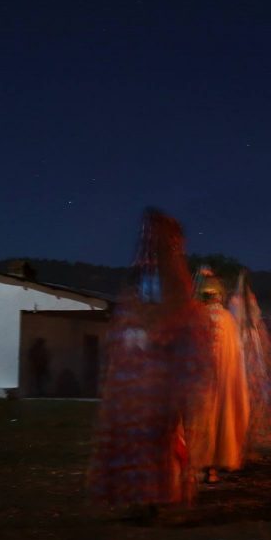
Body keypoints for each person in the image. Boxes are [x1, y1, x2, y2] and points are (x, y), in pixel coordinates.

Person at [88, 209, 212, 513]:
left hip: (157, 389)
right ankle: (144, 496)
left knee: (159, 441)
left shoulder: (172, 292)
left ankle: (157, 495)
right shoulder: (151, 290)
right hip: (142, 389)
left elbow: (181, 336)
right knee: (145, 441)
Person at [188, 271, 250, 484]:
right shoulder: (227, 319)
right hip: (221, 385)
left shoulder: (196, 317)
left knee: (199, 421)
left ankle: (196, 466)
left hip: (198, 385)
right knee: (220, 420)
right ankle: (211, 469)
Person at [228, 270, 271, 453]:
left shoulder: (246, 301)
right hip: (242, 343)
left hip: (248, 343)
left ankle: (248, 437)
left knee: (253, 391)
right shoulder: (239, 302)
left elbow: (253, 318)